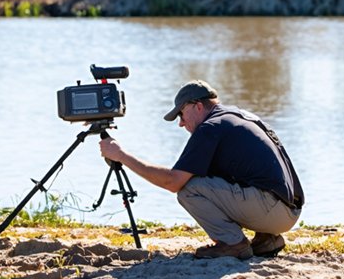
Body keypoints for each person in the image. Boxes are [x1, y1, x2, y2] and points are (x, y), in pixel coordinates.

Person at [99, 79, 304, 260]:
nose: (181, 123)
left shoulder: (210, 127)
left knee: (190, 189)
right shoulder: (239, 116)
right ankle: (267, 239)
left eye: (181, 114)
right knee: (212, 177)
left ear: (197, 106)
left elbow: (173, 182)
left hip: (271, 208)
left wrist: (121, 155)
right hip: (289, 211)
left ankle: (233, 244)